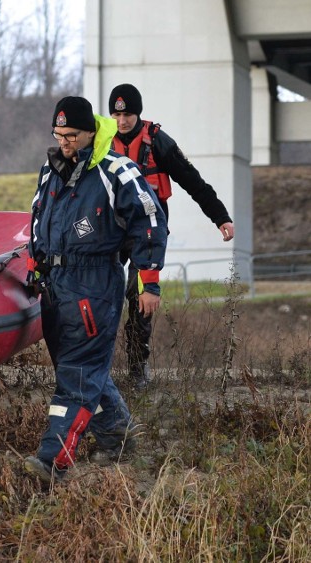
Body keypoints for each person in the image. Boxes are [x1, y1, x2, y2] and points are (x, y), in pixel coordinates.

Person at [23, 96, 168, 485]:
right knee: (79, 368)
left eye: (71, 135)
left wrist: (147, 281)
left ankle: (52, 461)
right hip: (55, 285)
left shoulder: (116, 170)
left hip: (95, 284)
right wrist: (36, 266)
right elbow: (38, 220)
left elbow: (150, 223)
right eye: (58, 135)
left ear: (90, 131)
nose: (65, 142)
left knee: (78, 374)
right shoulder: (50, 171)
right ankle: (118, 434)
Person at [108, 83, 235, 389]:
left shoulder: (158, 142)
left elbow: (193, 181)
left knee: (140, 296)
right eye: (117, 114)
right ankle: (98, 365)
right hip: (112, 228)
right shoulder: (102, 142)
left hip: (147, 233)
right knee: (103, 292)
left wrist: (220, 217)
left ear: (139, 113)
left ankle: (137, 369)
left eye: (128, 114)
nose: (122, 121)